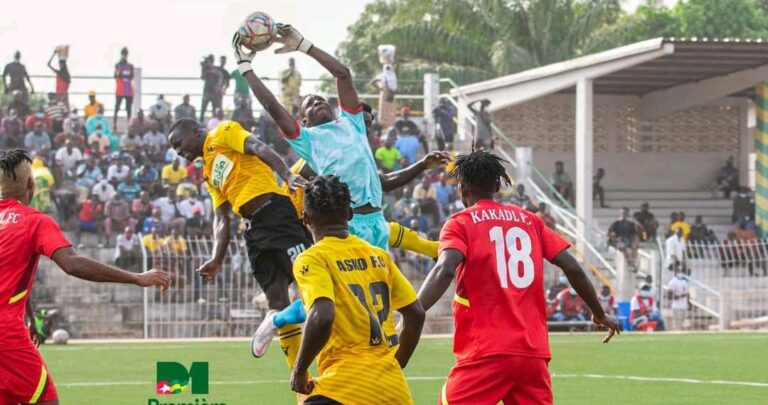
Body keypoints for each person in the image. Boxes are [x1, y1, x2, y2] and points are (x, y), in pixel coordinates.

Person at [418, 150, 618, 404]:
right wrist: (599, 313)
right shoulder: (530, 221)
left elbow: (445, 269)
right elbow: (574, 268)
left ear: (462, 189)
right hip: (533, 355)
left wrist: (414, 310)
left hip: (486, 352)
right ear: (497, 185)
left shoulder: (461, 223)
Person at [0, 149, 170, 405]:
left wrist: (28, 314)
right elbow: (72, 263)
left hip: (11, 325)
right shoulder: (35, 221)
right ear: (31, 184)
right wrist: (136, 277)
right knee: (46, 401)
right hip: (5, 335)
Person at [168, 117, 312, 371]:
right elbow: (221, 217)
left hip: (276, 213)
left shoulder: (223, 132)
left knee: (311, 283)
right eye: (175, 150)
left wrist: (287, 175)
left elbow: (259, 147)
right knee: (276, 297)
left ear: (195, 131)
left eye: (179, 144)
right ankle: (297, 370)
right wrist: (216, 258)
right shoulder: (208, 173)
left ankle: (284, 321)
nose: (180, 152)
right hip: (253, 230)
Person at [289, 175, 425, 404]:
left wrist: (299, 369)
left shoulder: (313, 258)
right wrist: (395, 364)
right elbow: (416, 314)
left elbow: (322, 316)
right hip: (393, 390)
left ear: (305, 218)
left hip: (344, 388)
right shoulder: (379, 256)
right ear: (350, 215)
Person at [113, 47, 135, 131]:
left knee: (128, 109)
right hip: (120, 89)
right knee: (116, 108)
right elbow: (116, 75)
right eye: (123, 54)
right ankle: (114, 125)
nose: (124, 55)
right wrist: (123, 75)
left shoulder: (130, 66)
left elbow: (131, 77)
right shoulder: (118, 65)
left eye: (125, 54)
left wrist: (122, 75)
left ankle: (129, 126)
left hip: (129, 90)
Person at [199, 55, 222, 122]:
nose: (209, 63)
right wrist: (206, 69)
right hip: (206, 92)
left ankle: (214, 124)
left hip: (214, 93)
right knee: (203, 109)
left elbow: (220, 76)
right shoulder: (205, 69)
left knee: (214, 110)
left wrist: (218, 86)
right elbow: (202, 77)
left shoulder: (217, 69)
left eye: (210, 61)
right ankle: (201, 123)